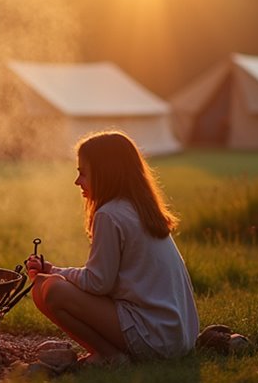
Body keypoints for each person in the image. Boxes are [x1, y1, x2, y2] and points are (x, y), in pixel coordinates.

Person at [25, 131, 199, 366]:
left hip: (156, 340)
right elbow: (107, 281)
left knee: (52, 290)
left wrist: (56, 272)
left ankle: (111, 357)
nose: (77, 182)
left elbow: (98, 283)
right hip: (176, 337)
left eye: (82, 173)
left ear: (104, 174)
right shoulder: (136, 208)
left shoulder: (109, 214)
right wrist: (53, 270)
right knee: (42, 285)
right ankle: (110, 354)